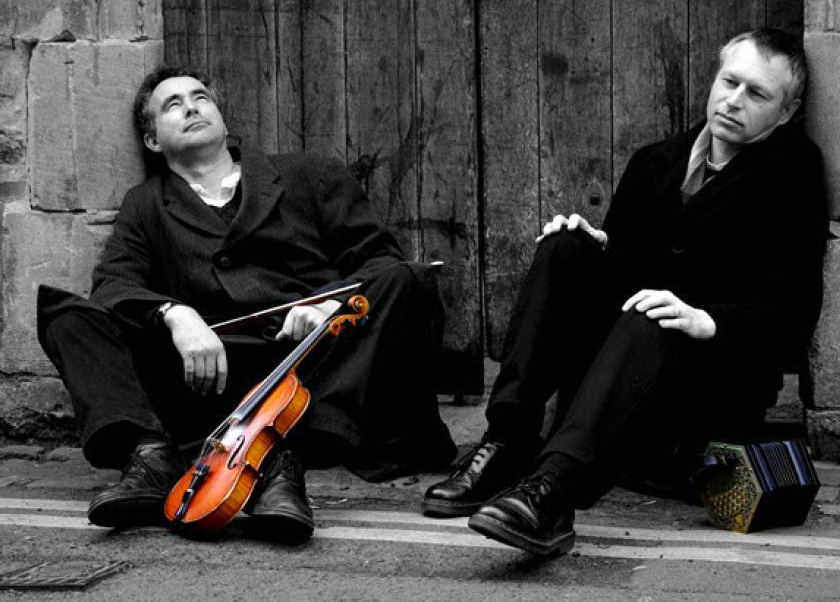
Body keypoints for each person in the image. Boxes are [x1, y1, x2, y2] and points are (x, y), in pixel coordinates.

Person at [422, 28, 827, 556]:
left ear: (788, 111)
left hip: (706, 391)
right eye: (730, 81)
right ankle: (506, 445)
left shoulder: (793, 173)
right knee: (564, 247)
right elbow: (624, 277)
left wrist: (706, 320)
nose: (733, 101)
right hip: (620, 379)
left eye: (757, 94)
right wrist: (597, 247)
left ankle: (552, 494)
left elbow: (793, 310)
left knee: (654, 312)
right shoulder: (654, 160)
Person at [37, 66, 455, 538]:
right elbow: (114, 285)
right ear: (153, 141)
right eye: (172, 105)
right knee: (66, 314)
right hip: (210, 377)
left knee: (406, 279)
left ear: (220, 115)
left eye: (201, 98)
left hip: (315, 368)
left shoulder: (309, 174)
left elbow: (380, 260)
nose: (192, 107)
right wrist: (176, 315)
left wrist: (325, 306)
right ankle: (150, 457)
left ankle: (285, 454)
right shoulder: (145, 203)